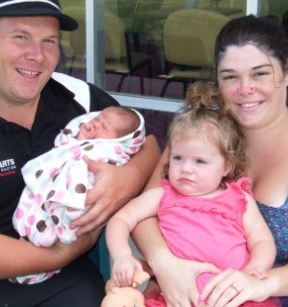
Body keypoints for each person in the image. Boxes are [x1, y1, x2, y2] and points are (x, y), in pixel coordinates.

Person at [0, 0, 160, 306]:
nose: (37, 56)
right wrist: (57, 255)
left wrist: (125, 181)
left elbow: (151, 145)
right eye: (21, 37)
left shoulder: (79, 100)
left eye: (49, 41)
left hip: (61, 279)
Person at [132, 15, 288, 307]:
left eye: (260, 74)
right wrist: (164, 262)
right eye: (230, 77)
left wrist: (262, 283)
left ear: (285, 71)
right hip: (191, 293)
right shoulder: (198, 136)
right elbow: (145, 212)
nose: (244, 89)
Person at [105, 82, 279, 307]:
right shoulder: (163, 196)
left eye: (199, 161)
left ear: (226, 165)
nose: (186, 168)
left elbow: (262, 240)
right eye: (178, 158)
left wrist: (255, 268)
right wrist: (122, 257)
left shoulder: (239, 199)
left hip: (232, 297)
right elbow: (121, 219)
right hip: (176, 297)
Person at [12, 106, 146, 284]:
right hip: (61, 184)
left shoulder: (114, 151)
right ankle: (37, 232)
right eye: (97, 120)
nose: (96, 125)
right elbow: (66, 148)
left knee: (75, 203)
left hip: (84, 191)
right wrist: (81, 137)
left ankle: (57, 225)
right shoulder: (88, 135)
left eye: (104, 127)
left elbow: (112, 165)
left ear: (122, 140)